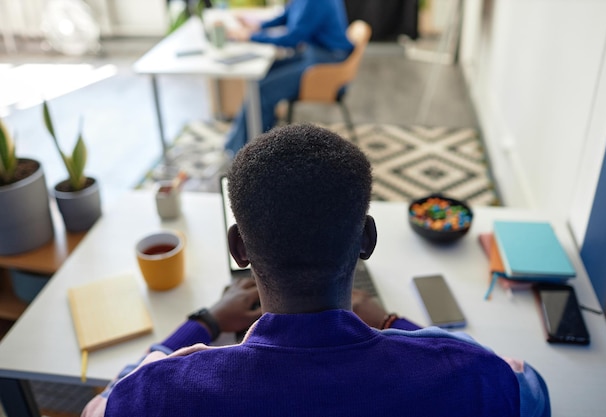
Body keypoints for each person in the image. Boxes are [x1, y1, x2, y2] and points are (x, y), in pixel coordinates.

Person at [82, 124, 550, 417]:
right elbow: (531, 392)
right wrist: (393, 324)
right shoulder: (466, 374)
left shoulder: (160, 391)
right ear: (366, 240)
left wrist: (200, 324)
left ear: (239, 248)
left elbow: (101, 405)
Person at [222, 0, 354, 157]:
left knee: (261, 90)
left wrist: (251, 36)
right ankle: (243, 146)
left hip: (326, 63)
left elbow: (293, 38)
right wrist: (259, 25)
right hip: (314, 53)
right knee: (262, 78)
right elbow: (287, 15)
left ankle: (245, 153)